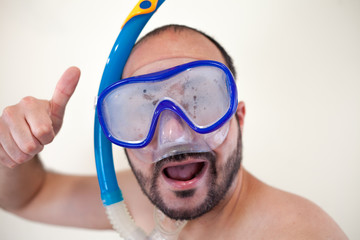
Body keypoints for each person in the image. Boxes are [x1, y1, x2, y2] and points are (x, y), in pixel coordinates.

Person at [0, 24, 347, 239]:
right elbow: (28, 196)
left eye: (198, 99)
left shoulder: (301, 234)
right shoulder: (136, 204)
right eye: (142, 108)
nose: (173, 135)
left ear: (238, 117)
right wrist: (12, 151)